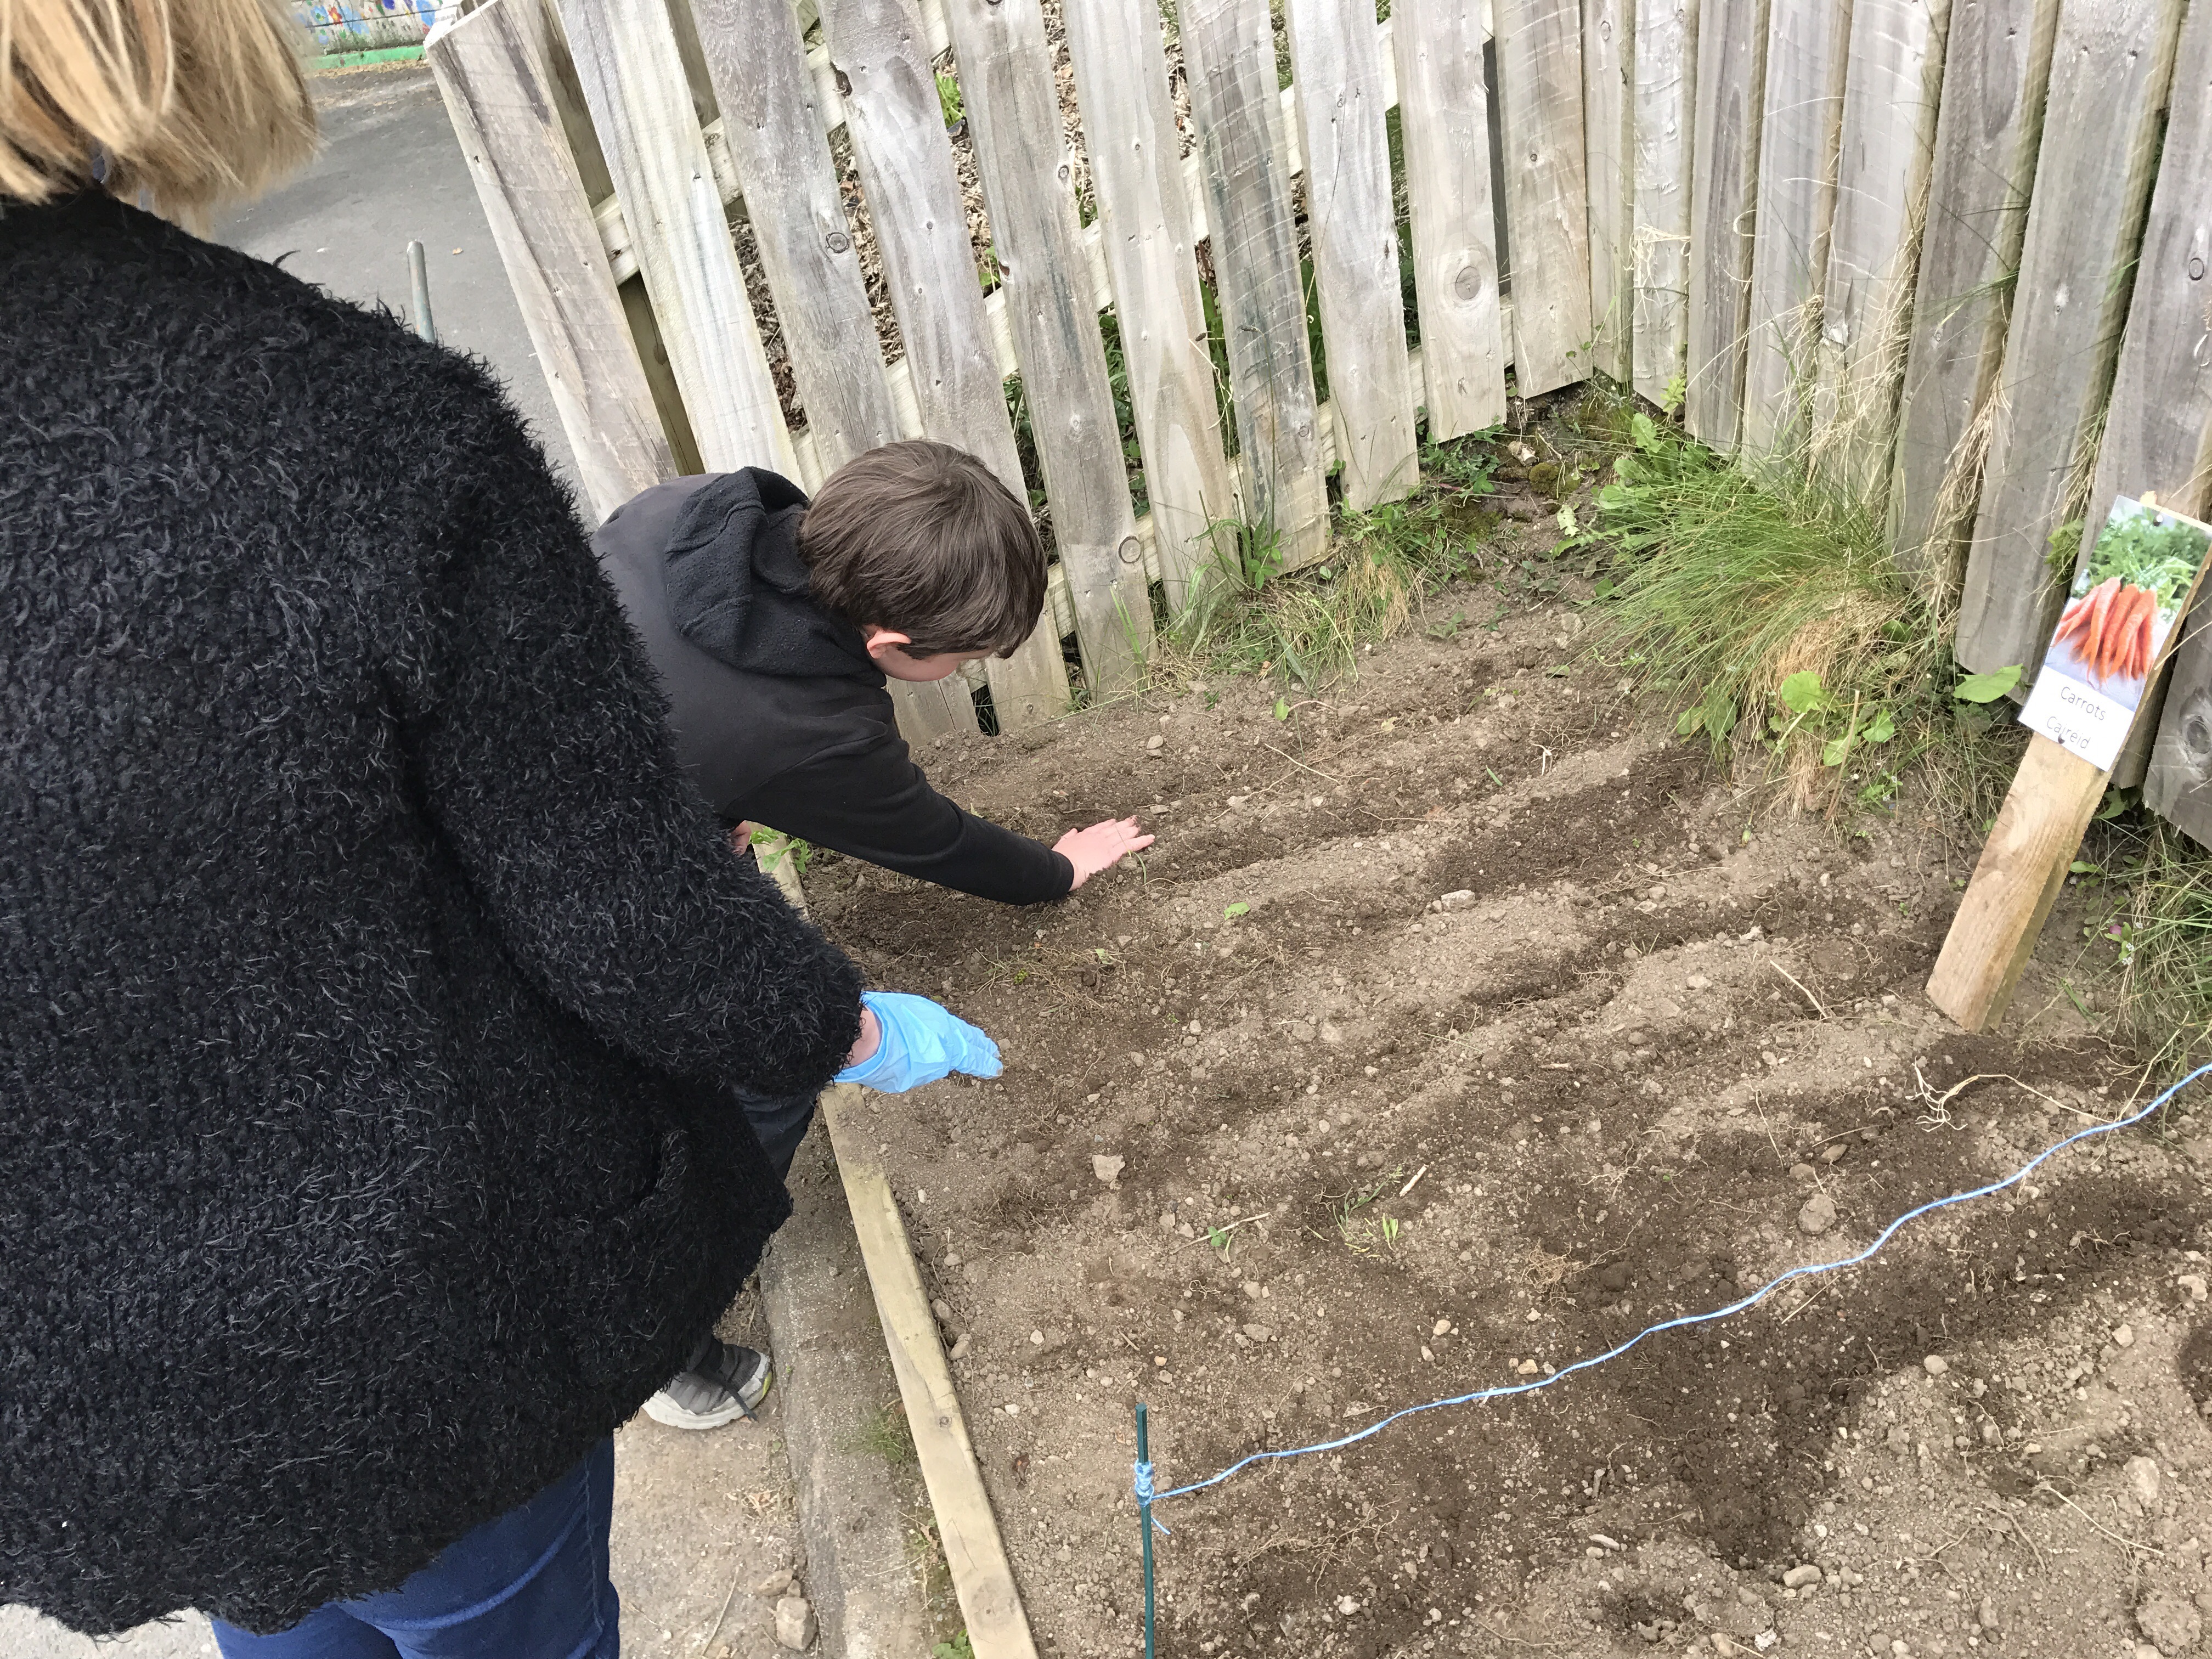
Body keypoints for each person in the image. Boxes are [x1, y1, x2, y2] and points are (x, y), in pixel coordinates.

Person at [0, 3, 993, 1654]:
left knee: (283, 1618)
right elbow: (632, 925)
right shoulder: (344, 440)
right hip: (400, 1345)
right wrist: (847, 1024)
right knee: (502, 1620)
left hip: (75, 1384)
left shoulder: (682, 519)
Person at [592, 442, 1155, 1229]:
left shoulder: (691, 509)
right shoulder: (813, 729)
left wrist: (702, 801)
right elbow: (934, 839)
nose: (965, 672)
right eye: (963, 660)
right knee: (775, 1060)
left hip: (516, 751)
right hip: (559, 866)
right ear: (888, 644)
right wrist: (1059, 869)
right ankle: (694, 1245)